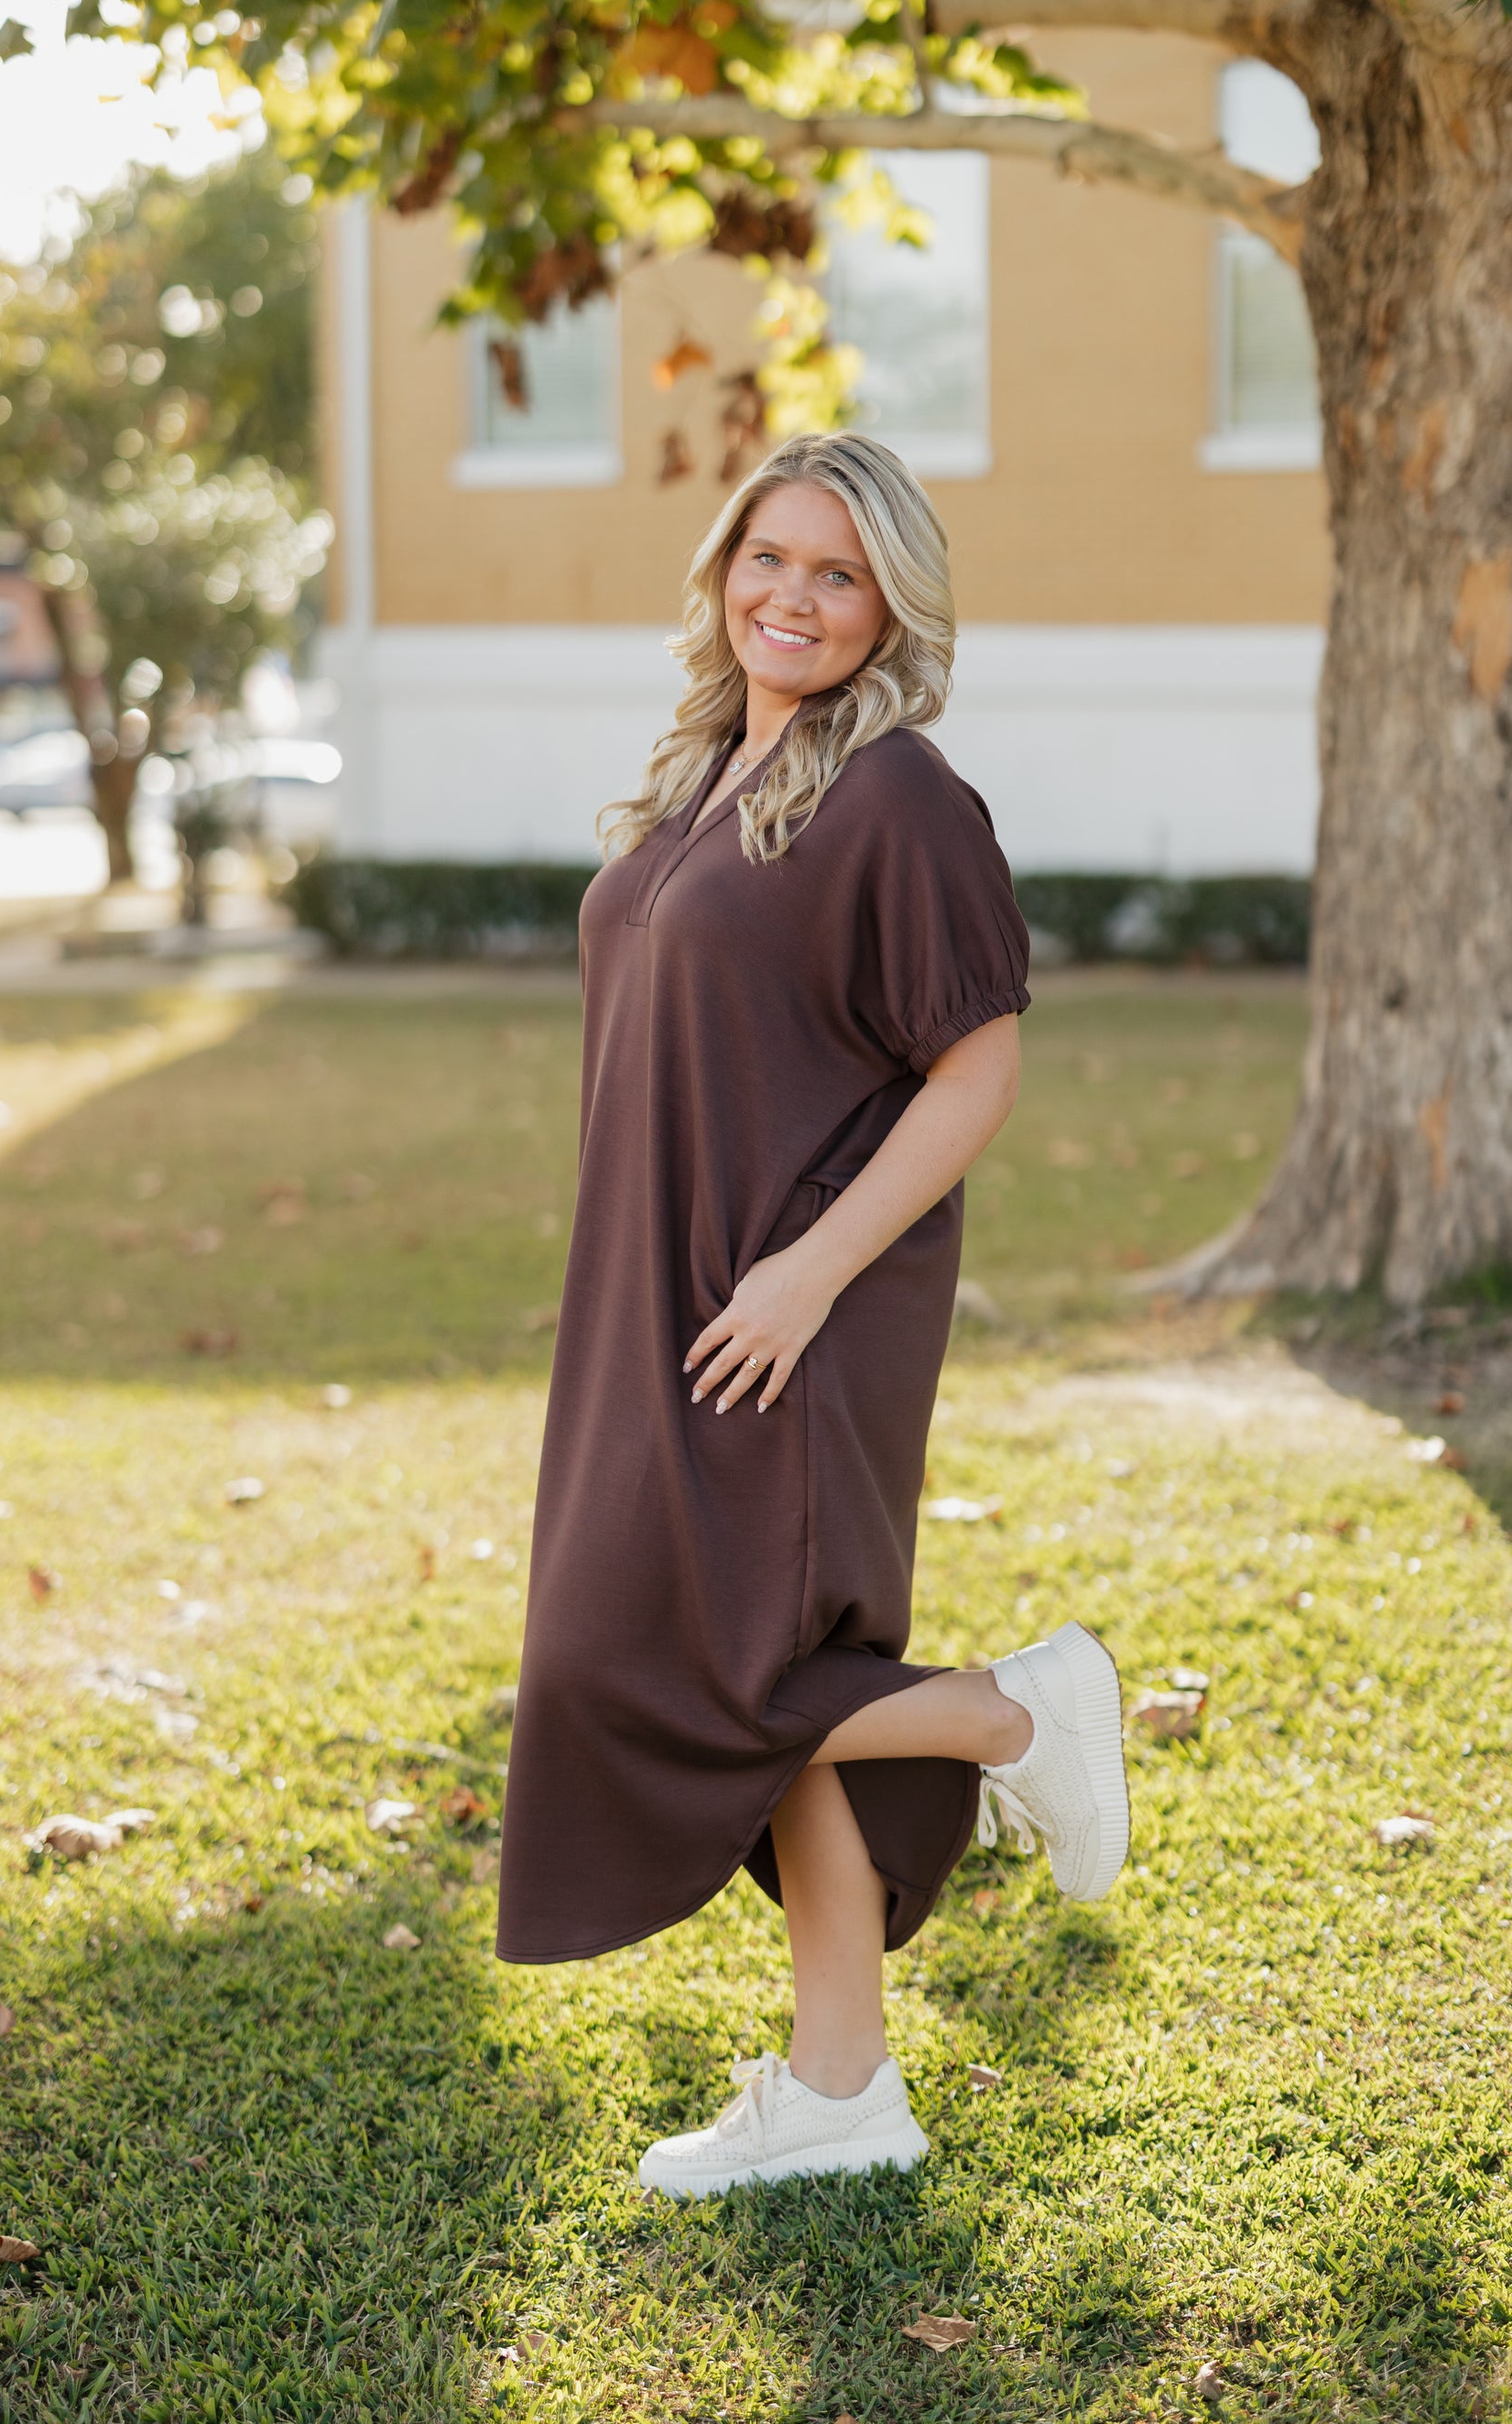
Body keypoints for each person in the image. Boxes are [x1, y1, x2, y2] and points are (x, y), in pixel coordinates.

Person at [496, 431, 1128, 2195]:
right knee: (768, 1677)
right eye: (767, 557)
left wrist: (807, 1273)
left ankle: (1008, 1717)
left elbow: (975, 1071)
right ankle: (844, 2091)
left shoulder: (897, 795)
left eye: (837, 573)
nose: (792, 595)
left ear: (889, 606)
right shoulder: (712, 767)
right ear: (722, 570)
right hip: (666, 1290)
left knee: (637, 1668)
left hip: (794, 1301)